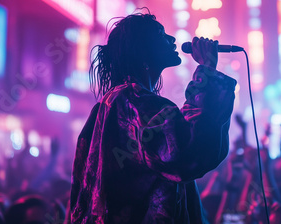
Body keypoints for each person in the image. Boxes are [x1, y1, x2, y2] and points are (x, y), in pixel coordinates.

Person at [69, 11, 237, 223]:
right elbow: (188, 153)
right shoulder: (134, 101)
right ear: (142, 50)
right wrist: (207, 71)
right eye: (160, 34)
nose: (172, 39)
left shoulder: (117, 101)